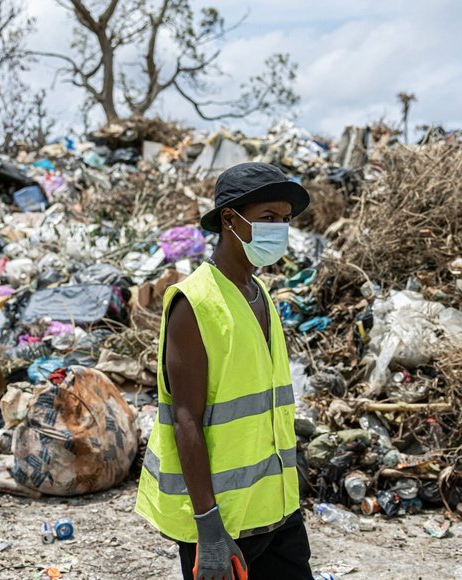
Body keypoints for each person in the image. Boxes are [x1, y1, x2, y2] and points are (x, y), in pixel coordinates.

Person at [136, 162, 313, 580]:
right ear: (230, 220)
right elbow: (185, 420)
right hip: (223, 520)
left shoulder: (260, 294)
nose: (279, 229)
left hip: (277, 508)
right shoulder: (194, 303)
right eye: (268, 218)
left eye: (285, 220)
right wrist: (209, 527)